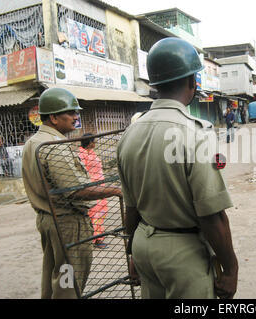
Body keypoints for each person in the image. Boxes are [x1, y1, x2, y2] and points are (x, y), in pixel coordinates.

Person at [117, 37, 238, 299]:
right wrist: (231, 269)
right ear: (192, 81)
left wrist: (133, 254)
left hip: (144, 246)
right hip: (182, 255)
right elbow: (212, 215)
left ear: (156, 84)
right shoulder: (195, 133)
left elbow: (131, 209)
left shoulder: (129, 134)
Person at [21, 87, 121, 299]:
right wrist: (116, 190)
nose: (76, 117)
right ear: (54, 118)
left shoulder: (33, 142)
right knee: (69, 281)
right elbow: (76, 191)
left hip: (49, 220)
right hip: (67, 223)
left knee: (55, 276)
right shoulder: (54, 146)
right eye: (71, 113)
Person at [79, 133, 108, 249]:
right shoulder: (81, 154)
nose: (95, 143)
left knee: (101, 212)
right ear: (89, 142)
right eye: (93, 141)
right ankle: (97, 239)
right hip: (92, 187)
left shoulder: (91, 152)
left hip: (100, 187)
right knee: (95, 214)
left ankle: (96, 237)